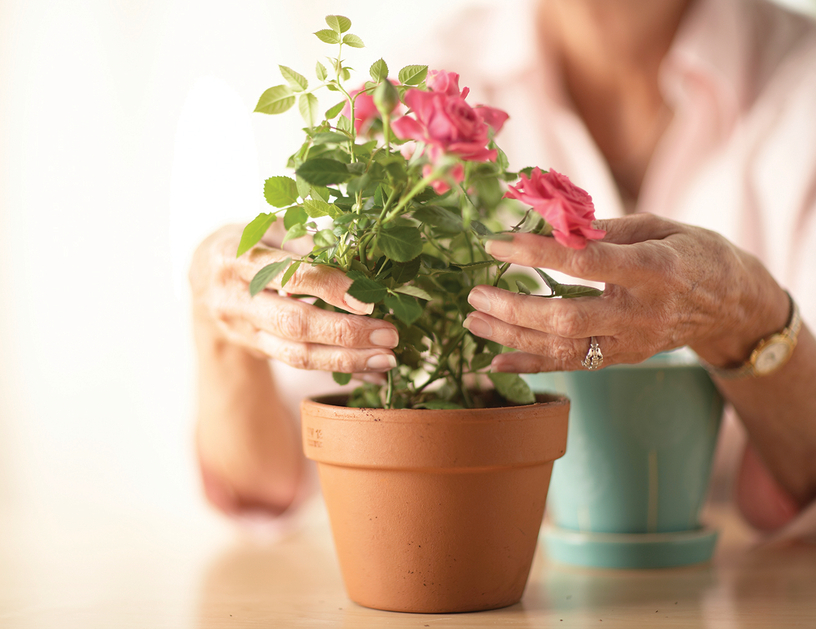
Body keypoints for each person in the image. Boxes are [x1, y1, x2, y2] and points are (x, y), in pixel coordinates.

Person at [187, 0, 816, 537]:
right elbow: (269, 478)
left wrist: (747, 312)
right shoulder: (429, 91)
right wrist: (224, 327)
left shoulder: (801, 84)